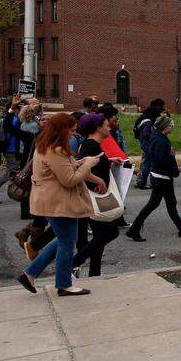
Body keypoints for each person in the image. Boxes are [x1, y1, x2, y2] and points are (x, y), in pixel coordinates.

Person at [16, 113, 103, 297]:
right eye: (71, 130)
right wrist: (88, 165)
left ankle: (30, 274)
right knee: (66, 243)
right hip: (58, 203)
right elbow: (69, 180)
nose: (73, 134)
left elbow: (64, 169)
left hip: (54, 201)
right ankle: (64, 284)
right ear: (61, 130)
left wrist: (81, 162)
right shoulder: (56, 150)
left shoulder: (46, 145)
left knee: (64, 240)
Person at [126, 116, 181, 243]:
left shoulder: (159, 137)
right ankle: (134, 230)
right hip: (161, 178)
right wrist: (172, 169)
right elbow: (160, 159)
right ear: (165, 126)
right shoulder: (160, 140)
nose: (172, 127)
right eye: (171, 125)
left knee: (170, 203)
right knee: (154, 204)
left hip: (161, 176)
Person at [70, 113, 122, 278]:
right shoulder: (90, 145)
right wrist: (96, 182)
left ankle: (94, 274)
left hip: (97, 194)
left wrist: (110, 160)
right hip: (94, 195)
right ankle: (74, 262)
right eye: (107, 125)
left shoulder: (94, 145)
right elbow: (81, 168)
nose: (109, 127)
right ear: (98, 128)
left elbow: (95, 163)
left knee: (101, 236)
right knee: (110, 232)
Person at [0, 94, 26, 204]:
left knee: (9, 172)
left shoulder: (12, 119)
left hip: (10, 150)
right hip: (12, 150)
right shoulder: (14, 120)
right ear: (17, 109)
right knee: (10, 173)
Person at [133, 99, 165, 189]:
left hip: (144, 144)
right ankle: (142, 183)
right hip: (147, 146)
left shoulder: (143, 118)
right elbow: (147, 134)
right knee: (147, 165)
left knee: (145, 164)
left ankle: (140, 181)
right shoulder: (148, 123)